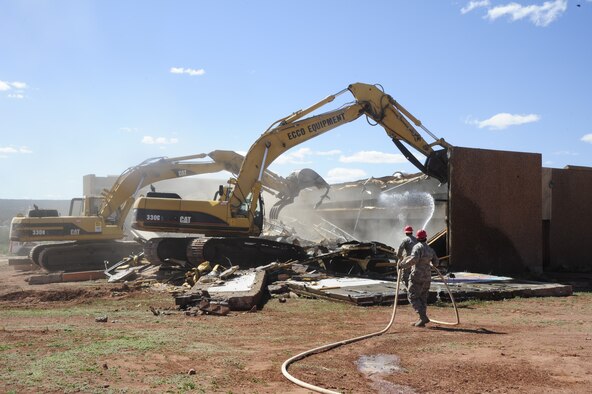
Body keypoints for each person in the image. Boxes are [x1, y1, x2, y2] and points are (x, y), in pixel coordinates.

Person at [398, 229, 439, 327]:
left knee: (412, 296)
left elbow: (413, 260)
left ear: (417, 238)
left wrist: (402, 266)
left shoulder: (417, 247)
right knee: (423, 297)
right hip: (427, 277)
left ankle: (423, 317)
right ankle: (421, 320)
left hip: (417, 276)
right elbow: (436, 263)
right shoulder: (430, 249)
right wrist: (428, 262)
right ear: (426, 237)